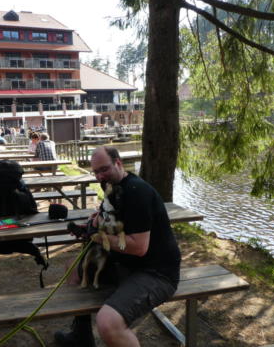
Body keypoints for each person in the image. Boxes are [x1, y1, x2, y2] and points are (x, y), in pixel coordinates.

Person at [54, 146, 181, 347]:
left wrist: (96, 236)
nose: (100, 176)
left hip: (156, 273)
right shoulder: (113, 188)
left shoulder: (137, 191)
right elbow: (110, 219)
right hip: (128, 266)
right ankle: (81, 336)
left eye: (104, 169)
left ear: (118, 163)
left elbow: (139, 247)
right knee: (74, 271)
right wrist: (92, 223)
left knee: (107, 322)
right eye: (95, 172)